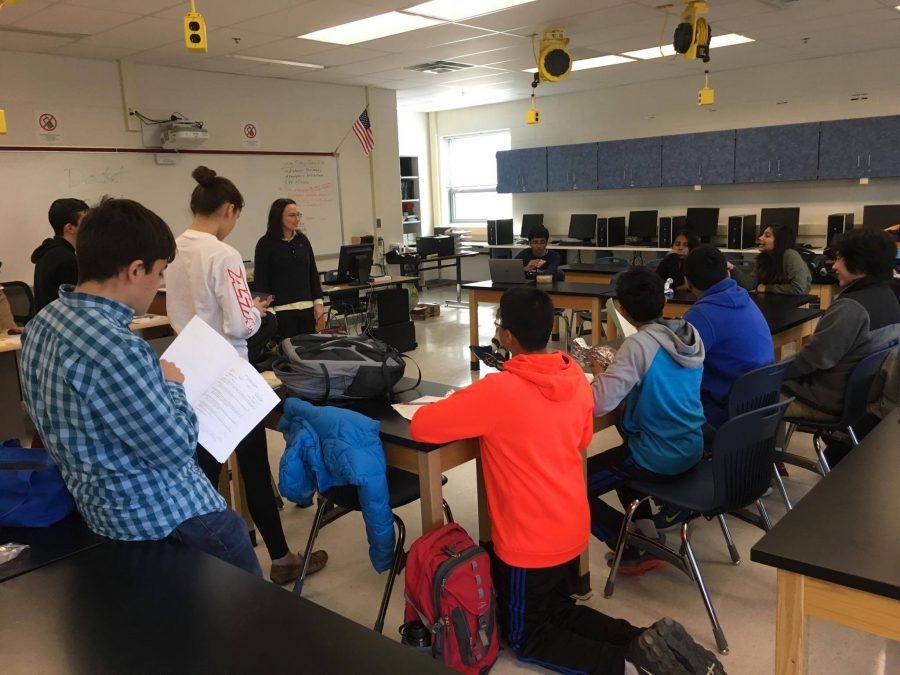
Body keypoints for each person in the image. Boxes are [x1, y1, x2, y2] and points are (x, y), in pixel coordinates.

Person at [411, 286, 723, 675]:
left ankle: (621, 666)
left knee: (525, 637)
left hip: (529, 543)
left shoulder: (498, 390)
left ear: (506, 336)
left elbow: (423, 427)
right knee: (559, 609)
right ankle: (639, 639)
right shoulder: (574, 377)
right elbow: (580, 439)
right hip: (571, 529)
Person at [19, 198, 261, 575]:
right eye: (159, 273)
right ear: (136, 270)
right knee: (249, 610)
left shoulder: (42, 324)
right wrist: (172, 386)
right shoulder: (118, 348)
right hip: (167, 518)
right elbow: (176, 449)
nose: (157, 285)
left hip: (98, 511)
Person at [166, 166, 327, 584]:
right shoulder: (224, 254)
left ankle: (200, 557)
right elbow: (240, 326)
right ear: (228, 209)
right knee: (253, 466)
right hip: (227, 372)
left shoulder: (173, 249)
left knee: (203, 466)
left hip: (190, 368)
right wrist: (258, 314)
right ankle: (280, 557)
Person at [586, 269, 705, 573]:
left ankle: (628, 547)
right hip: (691, 445)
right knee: (623, 459)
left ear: (621, 310)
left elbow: (599, 404)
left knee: (571, 487)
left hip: (658, 455)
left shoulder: (639, 345)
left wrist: (601, 372)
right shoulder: (688, 332)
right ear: (664, 300)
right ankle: (649, 536)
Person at [783, 228, 900, 425]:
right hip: (859, 398)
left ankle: (759, 455)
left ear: (861, 264)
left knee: (748, 397)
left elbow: (814, 359)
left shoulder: (850, 307)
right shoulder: (890, 298)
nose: (834, 266)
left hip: (826, 401)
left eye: (840, 259)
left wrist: (772, 374)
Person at [683, 245, 773, 429]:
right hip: (759, 408)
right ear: (728, 274)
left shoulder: (700, 316)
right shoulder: (745, 298)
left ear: (687, 282)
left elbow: (670, 367)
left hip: (724, 414)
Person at [253, 198, 325, 338]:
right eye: (292, 215)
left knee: (308, 353)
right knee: (288, 354)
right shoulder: (265, 244)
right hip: (281, 312)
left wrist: (318, 302)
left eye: (299, 215)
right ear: (278, 217)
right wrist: (270, 313)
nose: (297, 219)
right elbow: (262, 280)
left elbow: (312, 273)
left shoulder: (302, 240)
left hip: (307, 309)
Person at [32, 198, 89, 313]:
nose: (90, 228)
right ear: (70, 228)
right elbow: (77, 306)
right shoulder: (66, 260)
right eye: (86, 222)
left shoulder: (48, 252)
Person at [731, 225, 811, 295]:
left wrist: (767, 288)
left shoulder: (790, 255)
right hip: (773, 302)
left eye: (767, 236)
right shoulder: (763, 257)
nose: (760, 238)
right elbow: (749, 284)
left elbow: (798, 289)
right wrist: (732, 268)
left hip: (795, 305)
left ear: (779, 240)